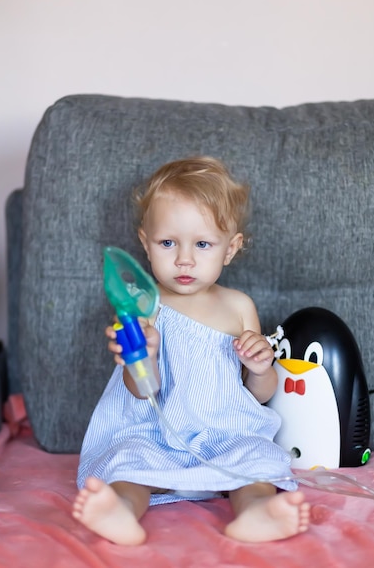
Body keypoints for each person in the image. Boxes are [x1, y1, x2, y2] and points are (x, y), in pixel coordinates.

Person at [72, 156, 310, 545]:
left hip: (224, 431)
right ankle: (120, 510)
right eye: (168, 243)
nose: (184, 259)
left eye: (202, 244)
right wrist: (142, 355)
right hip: (155, 432)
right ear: (145, 244)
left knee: (258, 459)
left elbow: (258, 395)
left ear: (230, 249)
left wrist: (261, 366)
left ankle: (255, 512)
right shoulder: (143, 307)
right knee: (127, 461)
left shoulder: (238, 307)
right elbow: (139, 390)